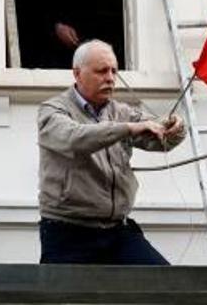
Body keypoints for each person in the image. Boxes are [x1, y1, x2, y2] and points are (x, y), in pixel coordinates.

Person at [37, 39, 186, 264]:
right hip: (67, 233)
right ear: (77, 74)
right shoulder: (52, 111)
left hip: (117, 231)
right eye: (101, 71)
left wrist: (175, 126)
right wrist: (127, 128)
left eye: (114, 71)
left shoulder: (122, 112)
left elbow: (159, 140)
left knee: (165, 285)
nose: (110, 78)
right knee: (67, 299)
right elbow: (74, 139)